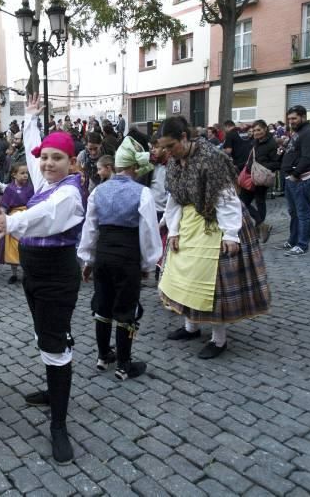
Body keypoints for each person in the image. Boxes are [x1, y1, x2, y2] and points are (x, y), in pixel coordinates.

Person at [0, 94, 85, 465]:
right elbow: (30, 149)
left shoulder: (69, 194)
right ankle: (53, 391)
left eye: (56, 158)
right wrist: (29, 119)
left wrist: (12, 222)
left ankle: (59, 424)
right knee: (45, 335)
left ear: (72, 162)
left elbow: (45, 216)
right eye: (45, 158)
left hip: (56, 274)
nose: (47, 163)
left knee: (55, 342)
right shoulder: (45, 180)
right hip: (34, 271)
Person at [158, 117, 270, 359]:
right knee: (186, 275)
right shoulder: (176, 162)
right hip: (189, 224)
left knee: (213, 284)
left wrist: (230, 234)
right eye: (164, 147)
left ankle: (219, 340)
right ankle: (191, 327)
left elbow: (226, 197)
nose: (167, 152)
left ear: (185, 138)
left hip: (215, 222)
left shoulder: (212, 158)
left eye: (171, 146)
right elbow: (174, 197)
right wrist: (174, 230)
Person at [78, 137, 161, 381]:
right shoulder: (142, 193)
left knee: (103, 304)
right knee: (126, 308)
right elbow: (148, 232)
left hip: (103, 254)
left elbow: (90, 228)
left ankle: (103, 355)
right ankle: (124, 364)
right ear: (134, 168)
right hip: (127, 256)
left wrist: (88, 261)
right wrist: (147, 264)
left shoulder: (98, 191)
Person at [278, 105, 310, 256]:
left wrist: (296, 174)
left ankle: (302, 244)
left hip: (301, 179)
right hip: (292, 178)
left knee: (303, 213)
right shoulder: (298, 132)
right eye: (289, 119)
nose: (291, 121)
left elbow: (307, 157)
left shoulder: (309, 133)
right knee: (294, 212)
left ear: (303, 116)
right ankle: (293, 240)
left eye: (294, 118)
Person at [239, 120, 282, 243]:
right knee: (243, 202)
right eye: (254, 130)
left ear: (265, 129)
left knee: (259, 201)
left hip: (261, 177)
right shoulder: (255, 142)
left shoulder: (272, 144)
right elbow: (252, 159)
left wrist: (261, 167)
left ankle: (260, 226)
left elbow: (277, 163)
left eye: (259, 130)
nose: (256, 132)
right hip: (251, 176)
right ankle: (261, 225)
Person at [0, 163, 34, 284]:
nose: (25, 175)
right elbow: (5, 206)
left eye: (26, 173)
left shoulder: (31, 188)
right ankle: (14, 273)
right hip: (13, 219)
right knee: (13, 246)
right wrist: (2, 217)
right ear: (14, 175)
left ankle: (27, 272)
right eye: (22, 173)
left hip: (26, 218)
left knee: (27, 246)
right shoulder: (10, 189)